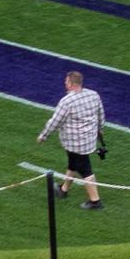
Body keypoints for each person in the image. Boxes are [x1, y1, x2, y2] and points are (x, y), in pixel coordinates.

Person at [35, 70, 104, 210]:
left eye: (66, 81)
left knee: (86, 170)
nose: (64, 83)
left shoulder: (67, 101)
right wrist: (100, 129)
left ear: (71, 84)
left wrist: (44, 135)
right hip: (88, 140)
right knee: (73, 163)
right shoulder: (93, 95)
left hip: (75, 142)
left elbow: (55, 121)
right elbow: (100, 114)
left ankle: (95, 201)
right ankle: (63, 189)